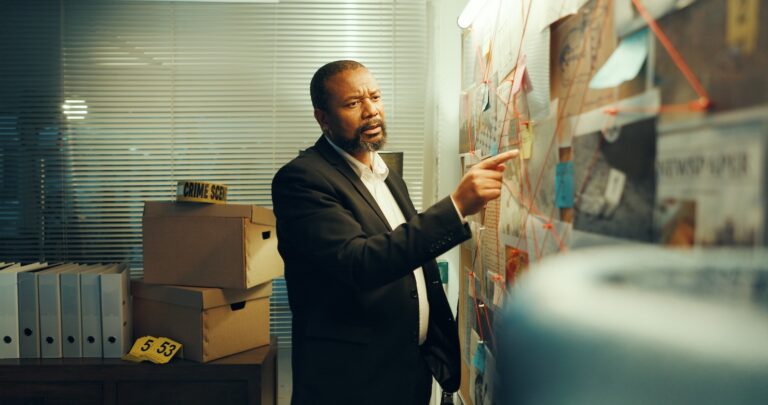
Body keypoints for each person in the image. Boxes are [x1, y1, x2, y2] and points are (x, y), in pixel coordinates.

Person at [271, 60, 516, 405]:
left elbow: (407, 257)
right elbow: (360, 262)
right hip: (350, 382)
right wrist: (456, 206)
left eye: (375, 97)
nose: (370, 111)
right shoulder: (302, 179)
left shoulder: (387, 174)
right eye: (353, 103)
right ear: (322, 118)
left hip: (407, 371)